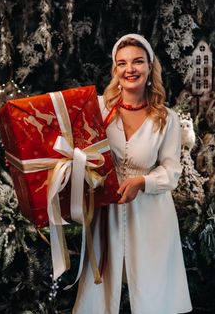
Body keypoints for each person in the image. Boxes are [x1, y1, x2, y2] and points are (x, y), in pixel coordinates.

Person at [73, 33, 192, 314]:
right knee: (99, 295)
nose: (130, 69)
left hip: (152, 215)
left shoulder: (166, 118)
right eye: (123, 63)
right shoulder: (99, 109)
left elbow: (172, 171)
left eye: (138, 61)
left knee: (154, 296)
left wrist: (142, 181)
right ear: (115, 70)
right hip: (107, 213)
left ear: (150, 67)